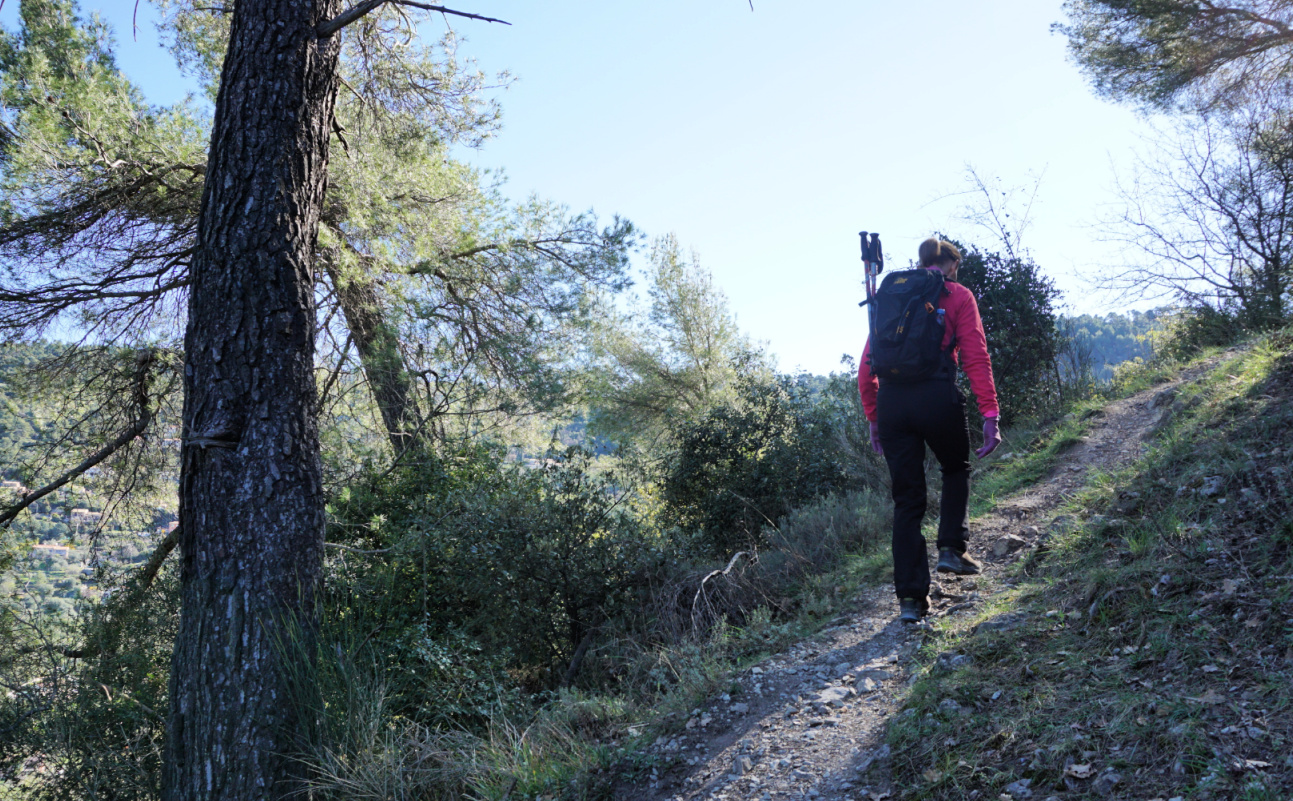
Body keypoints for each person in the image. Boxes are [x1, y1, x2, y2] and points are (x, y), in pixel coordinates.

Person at [858, 238, 1001, 623]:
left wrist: (874, 418)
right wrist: (990, 413)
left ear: (921, 262)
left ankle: (910, 601)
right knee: (955, 467)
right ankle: (952, 549)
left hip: (891, 403)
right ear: (951, 263)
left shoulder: (892, 294)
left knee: (907, 501)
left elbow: (866, 367)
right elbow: (974, 354)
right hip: (935, 396)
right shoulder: (956, 294)